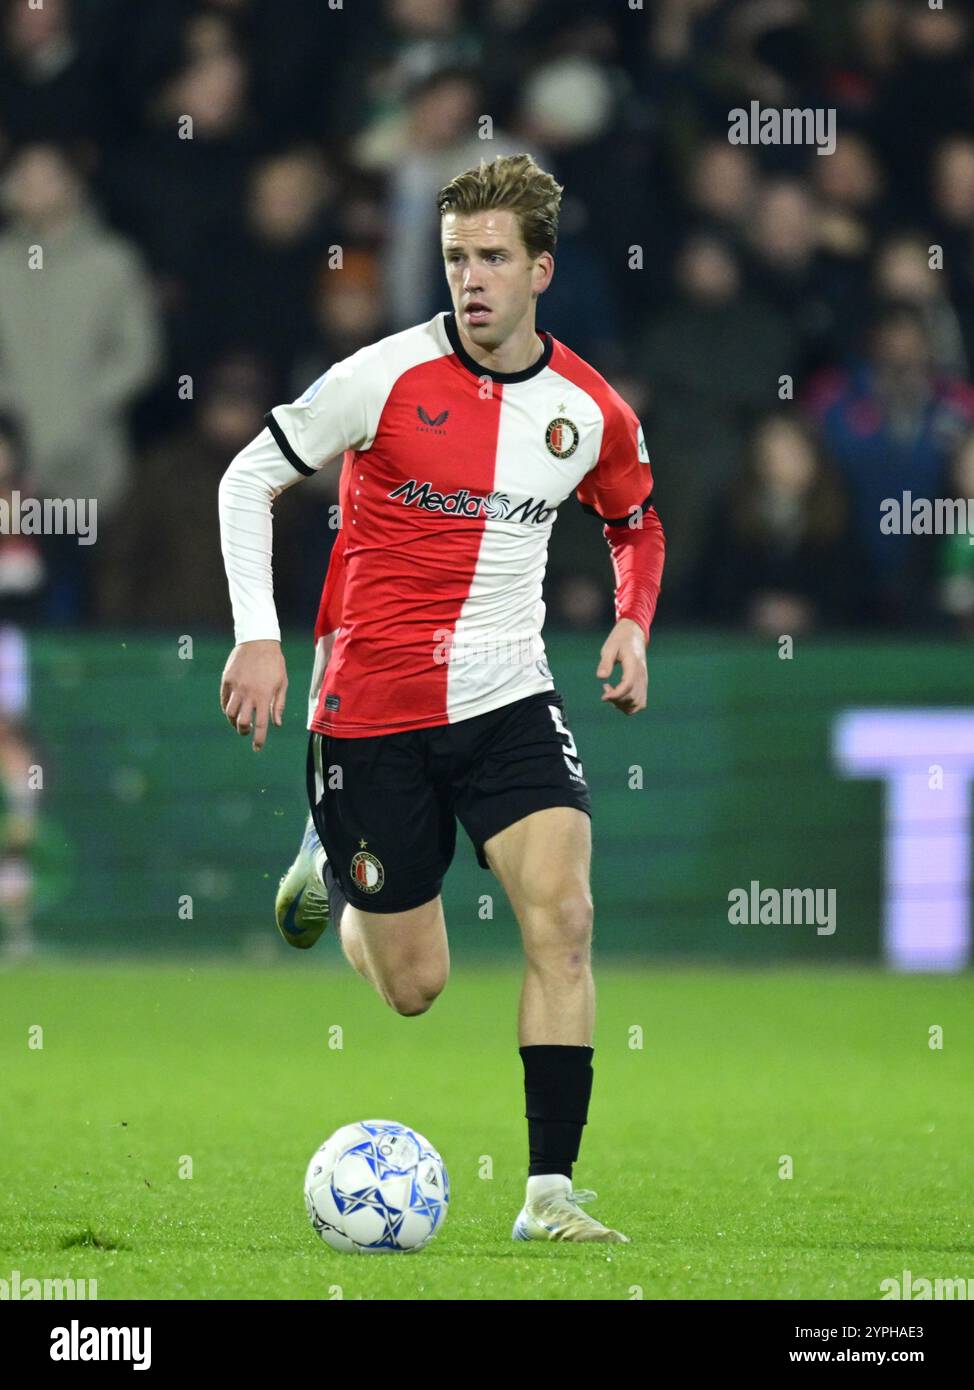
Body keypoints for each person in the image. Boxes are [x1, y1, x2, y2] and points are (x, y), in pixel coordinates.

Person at [218, 153, 665, 1245]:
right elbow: (247, 477)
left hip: (510, 694)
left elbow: (634, 518)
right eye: (455, 256)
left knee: (563, 919)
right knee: (414, 985)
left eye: (492, 259)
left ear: (539, 270)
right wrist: (258, 639)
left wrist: (628, 617)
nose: (469, 279)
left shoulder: (585, 409)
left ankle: (548, 1195)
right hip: (368, 710)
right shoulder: (380, 376)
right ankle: (331, 858)